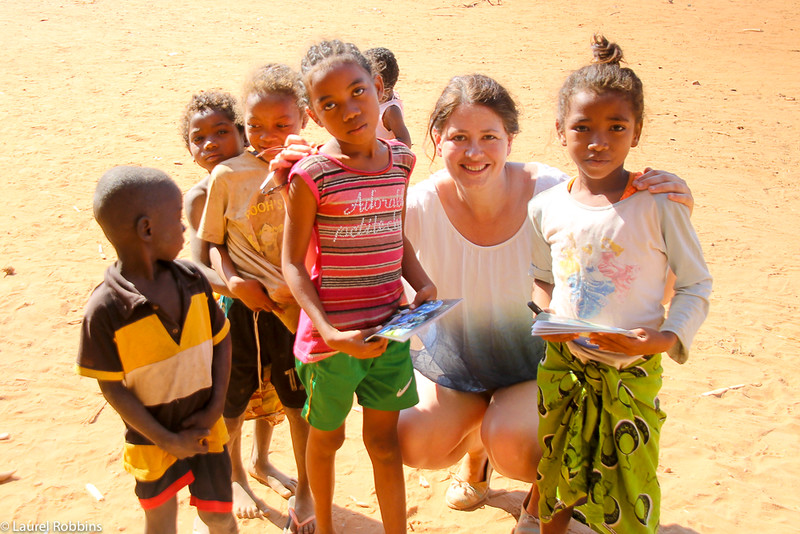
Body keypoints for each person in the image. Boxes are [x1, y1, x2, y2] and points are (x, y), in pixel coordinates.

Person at [393, 73, 697, 534]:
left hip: (540, 369)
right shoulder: (416, 206)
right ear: (437, 139)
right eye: (459, 138)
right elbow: (349, 238)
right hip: (459, 366)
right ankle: (476, 457)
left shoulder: (551, 193)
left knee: (516, 440)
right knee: (411, 440)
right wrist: (297, 181)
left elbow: (634, 251)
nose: (474, 152)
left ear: (510, 140)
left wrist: (677, 208)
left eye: (489, 137)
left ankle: (538, 498)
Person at [529, 35, 711, 534]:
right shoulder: (545, 207)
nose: (597, 142)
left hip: (632, 370)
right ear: (559, 130)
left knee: (630, 483)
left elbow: (695, 284)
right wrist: (546, 318)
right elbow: (542, 278)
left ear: (637, 132)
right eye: (582, 127)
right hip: (565, 368)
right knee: (557, 470)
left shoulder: (658, 204)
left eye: (616, 127)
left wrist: (665, 338)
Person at [281, 40, 436, 534]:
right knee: (325, 440)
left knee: (385, 445)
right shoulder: (313, 176)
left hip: (388, 334)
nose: (349, 111)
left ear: (379, 90)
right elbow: (291, 263)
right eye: (329, 104)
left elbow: (395, 232)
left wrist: (423, 281)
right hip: (333, 346)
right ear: (312, 115)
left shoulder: (401, 162)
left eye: (357, 92)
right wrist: (327, 331)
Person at [77, 166, 236, 534]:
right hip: (149, 440)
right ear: (146, 229)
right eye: (178, 218)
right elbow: (112, 388)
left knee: (218, 516)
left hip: (205, 430)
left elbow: (222, 339)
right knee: (161, 521)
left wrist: (214, 410)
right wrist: (166, 439)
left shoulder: (193, 280)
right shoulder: (105, 311)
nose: (185, 228)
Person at [196, 64, 315, 532]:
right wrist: (234, 282)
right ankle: (236, 476)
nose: (268, 135)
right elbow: (213, 244)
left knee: (295, 397)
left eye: (282, 125)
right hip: (242, 307)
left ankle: (305, 485)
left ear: (302, 119)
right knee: (234, 397)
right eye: (256, 126)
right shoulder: (228, 175)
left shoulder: (311, 166)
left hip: (295, 308)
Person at [364, 47, 412, 147]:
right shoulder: (380, 99)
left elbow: (405, 141)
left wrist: (379, 148)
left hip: (377, 160)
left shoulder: (390, 111)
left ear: (378, 85)